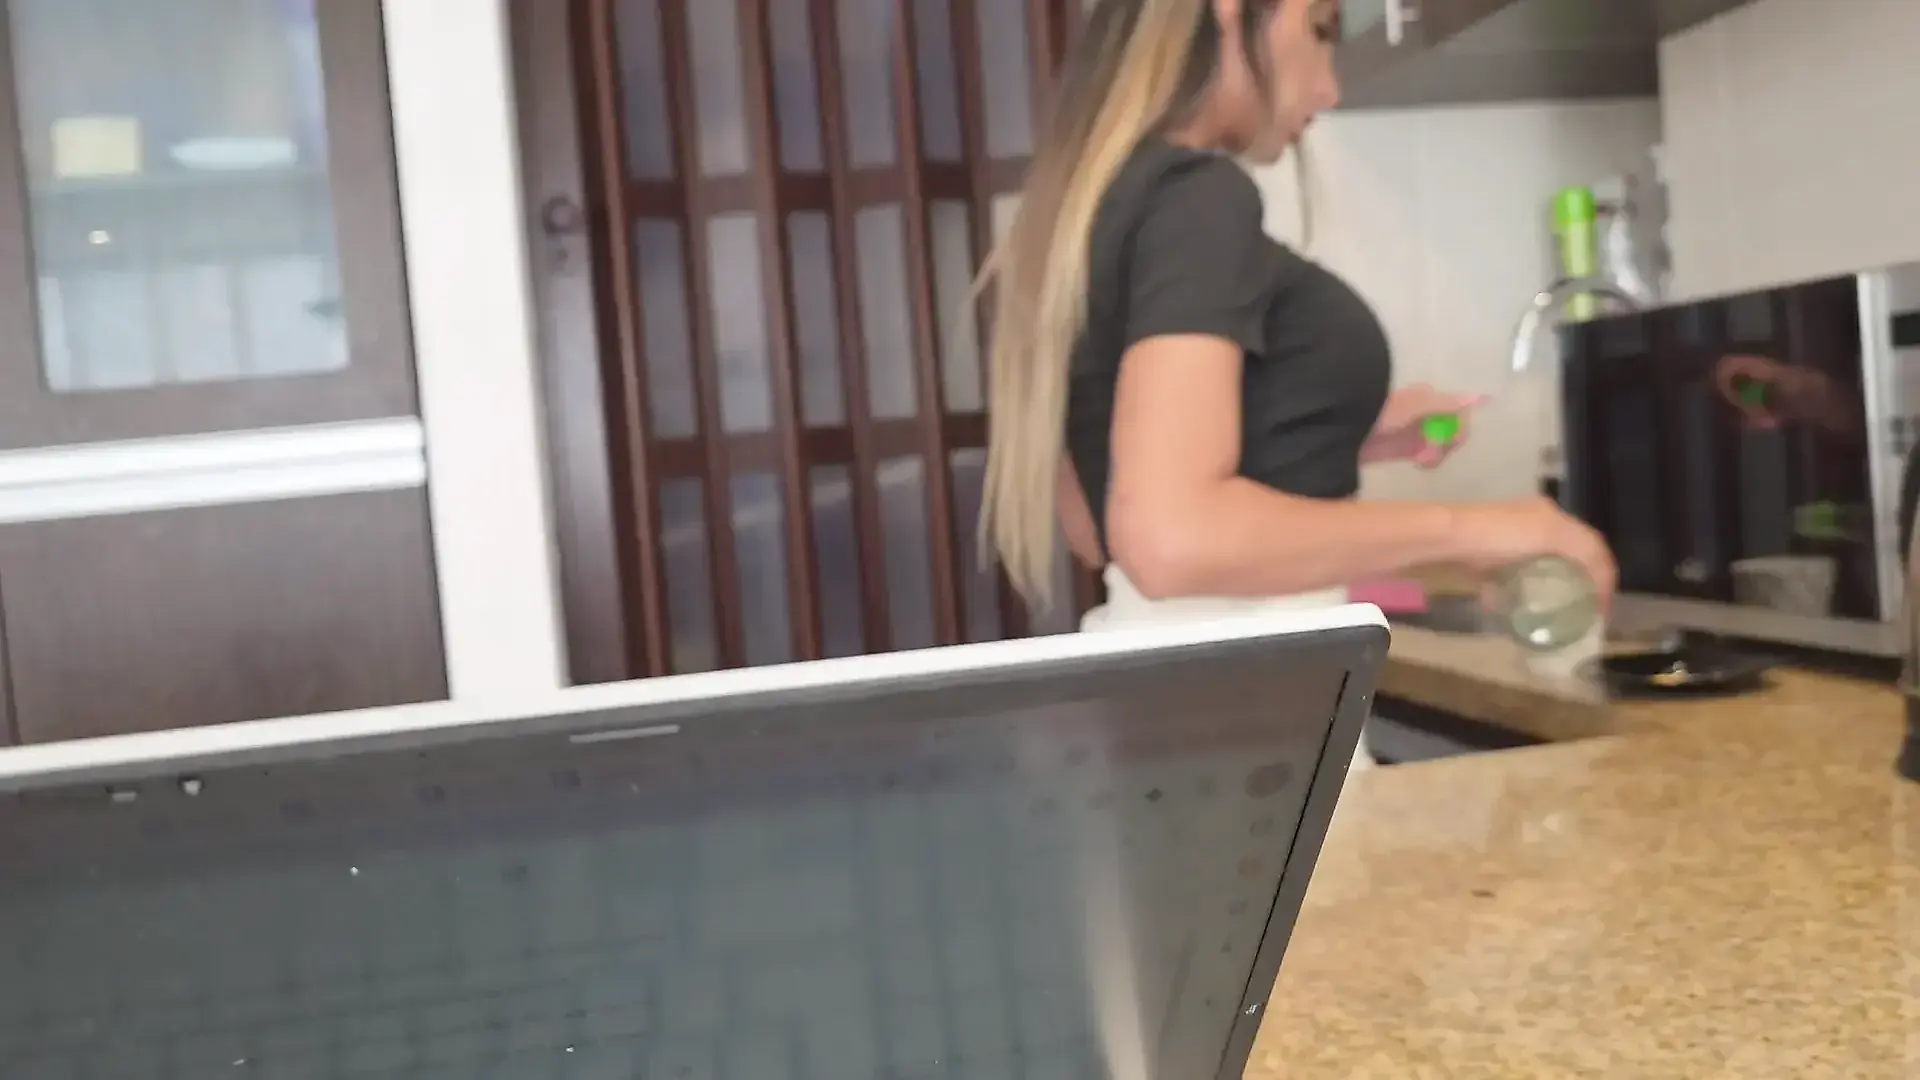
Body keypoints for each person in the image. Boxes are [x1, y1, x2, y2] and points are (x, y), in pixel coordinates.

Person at [976, 0, 1617, 772]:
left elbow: (1103, 523)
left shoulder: (1091, 206)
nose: (1331, 88)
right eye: (1319, 28)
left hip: (1170, 716)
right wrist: (1482, 529)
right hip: (1249, 724)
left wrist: (1339, 432)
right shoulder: (1198, 197)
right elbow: (1169, 539)